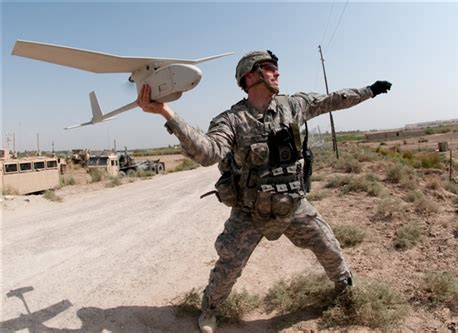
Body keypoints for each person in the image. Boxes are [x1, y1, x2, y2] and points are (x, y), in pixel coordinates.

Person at [138, 50, 391, 333]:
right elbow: (207, 152)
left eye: (276, 69)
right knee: (228, 266)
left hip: (293, 205)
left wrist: (370, 90)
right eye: (270, 68)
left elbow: (333, 100)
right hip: (250, 211)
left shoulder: (294, 106)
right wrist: (165, 112)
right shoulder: (231, 120)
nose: (277, 73)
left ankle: (346, 290)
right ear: (250, 75)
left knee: (329, 247)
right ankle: (209, 310)